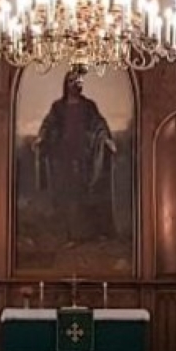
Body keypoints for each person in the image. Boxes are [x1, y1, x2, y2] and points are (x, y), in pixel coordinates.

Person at [34, 68, 117, 244]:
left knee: (84, 194)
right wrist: (42, 138)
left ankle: (87, 234)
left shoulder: (89, 106)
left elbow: (99, 125)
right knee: (67, 194)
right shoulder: (58, 107)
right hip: (63, 156)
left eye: (79, 82)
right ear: (66, 84)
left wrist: (106, 140)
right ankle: (69, 235)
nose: (76, 85)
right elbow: (48, 125)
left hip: (84, 156)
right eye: (72, 81)